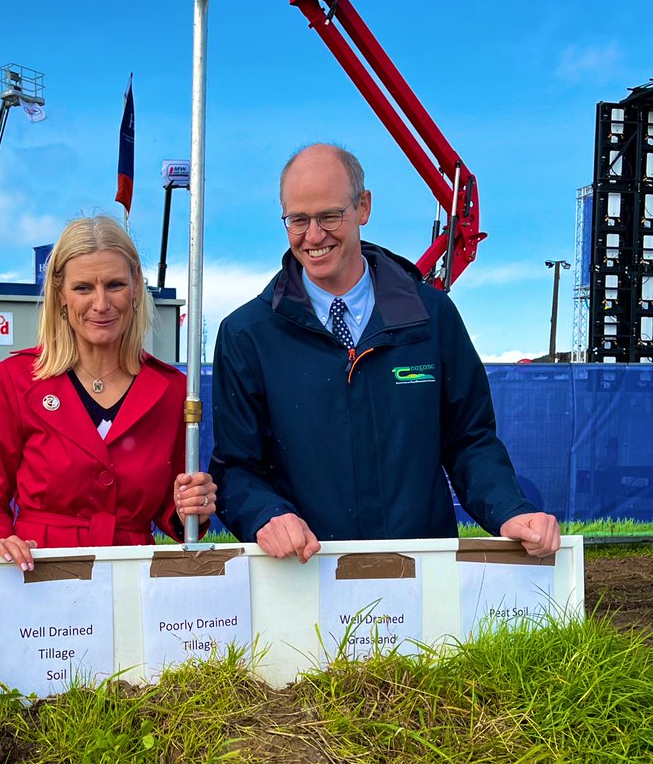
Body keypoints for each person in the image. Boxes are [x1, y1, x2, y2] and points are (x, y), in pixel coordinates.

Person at [210, 143, 560, 563]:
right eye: (298, 220)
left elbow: (470, 441)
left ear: (363, 207)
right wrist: (268, 515)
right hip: (302, 580)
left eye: (329, 216)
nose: (314, 236)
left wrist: (509, 511)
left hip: (421, 582)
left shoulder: (431, 318)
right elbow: (235, 468)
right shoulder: (247, 335)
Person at [0, 215, 214, 569]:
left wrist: (191, 506)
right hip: (38, 572)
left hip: (132, 571)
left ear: (136, 289)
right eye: (83, 288)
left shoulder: (170, 390)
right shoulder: (17, 378)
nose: (101, 304)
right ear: (60, 295)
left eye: (114, 285)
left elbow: (171, 511)